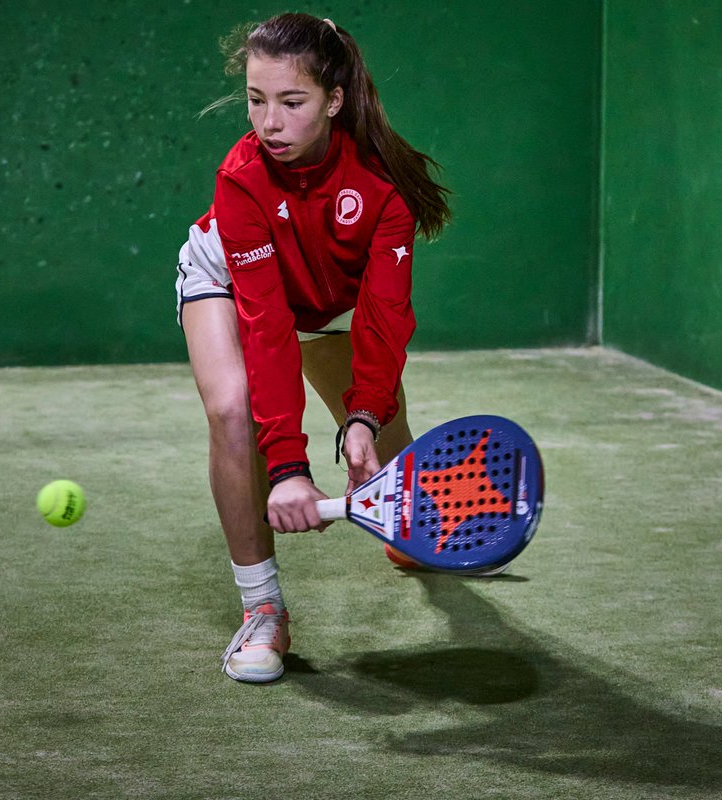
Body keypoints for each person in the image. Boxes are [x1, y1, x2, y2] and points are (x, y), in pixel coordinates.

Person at [175, 13, 451, 683]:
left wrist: (363, 416)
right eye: (255, 100)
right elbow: (267, 328)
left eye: (291, 102)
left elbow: (384, 317)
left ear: (333, 101)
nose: (269, 122)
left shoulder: (382, 182)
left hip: (331, 302)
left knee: (386, 433)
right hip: (229, 283)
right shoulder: (242, 177)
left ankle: (407, 527)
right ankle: (263, 610)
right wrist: (289, 469)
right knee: (232, 410)